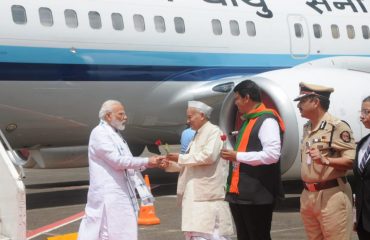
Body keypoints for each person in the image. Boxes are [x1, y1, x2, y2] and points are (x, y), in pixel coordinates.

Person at [77, 100, 163, 240]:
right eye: (121, 114)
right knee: (107, 232)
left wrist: (150, 163)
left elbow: (127, 160)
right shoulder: (99, 133)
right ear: (108, 116)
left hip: (120, 192)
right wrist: (147, 161)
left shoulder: (114, 134)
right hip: (108, 195)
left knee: (122, 231)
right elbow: (117, 161)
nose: (125, 117)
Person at [220, 80, 285, 240]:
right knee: (244, 236)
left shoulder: (267, 120)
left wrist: (237, 156)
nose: (236, 103)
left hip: (257, 195)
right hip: (240, 193)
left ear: (247, 98)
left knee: (258, 235)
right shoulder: (250, 120)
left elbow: (272, 155)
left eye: (237, 99)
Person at [294, 82, 356, 240]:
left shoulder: (337, 127)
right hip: (308, 195)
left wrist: (326, 160)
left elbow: (351, 161)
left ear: (315, 102)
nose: (299, 105)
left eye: (302, 101)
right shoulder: (307, 127)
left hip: (332, 195)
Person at [166, 100, 234, 240]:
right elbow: (191, 162)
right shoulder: (197, 135)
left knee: (211, 234)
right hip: (195, 195)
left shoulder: (214, 132)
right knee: (195, 233)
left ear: (201, 115)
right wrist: (169, 164)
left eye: (190, 117)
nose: (188, 121)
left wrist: (180, 158)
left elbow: (208, 156)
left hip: (207, 195)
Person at [353, 96, 370, 240]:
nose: (361, 116)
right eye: (362, 111)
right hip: (363, 223)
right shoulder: (363, 144)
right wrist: (356, 216)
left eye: (366, 112)